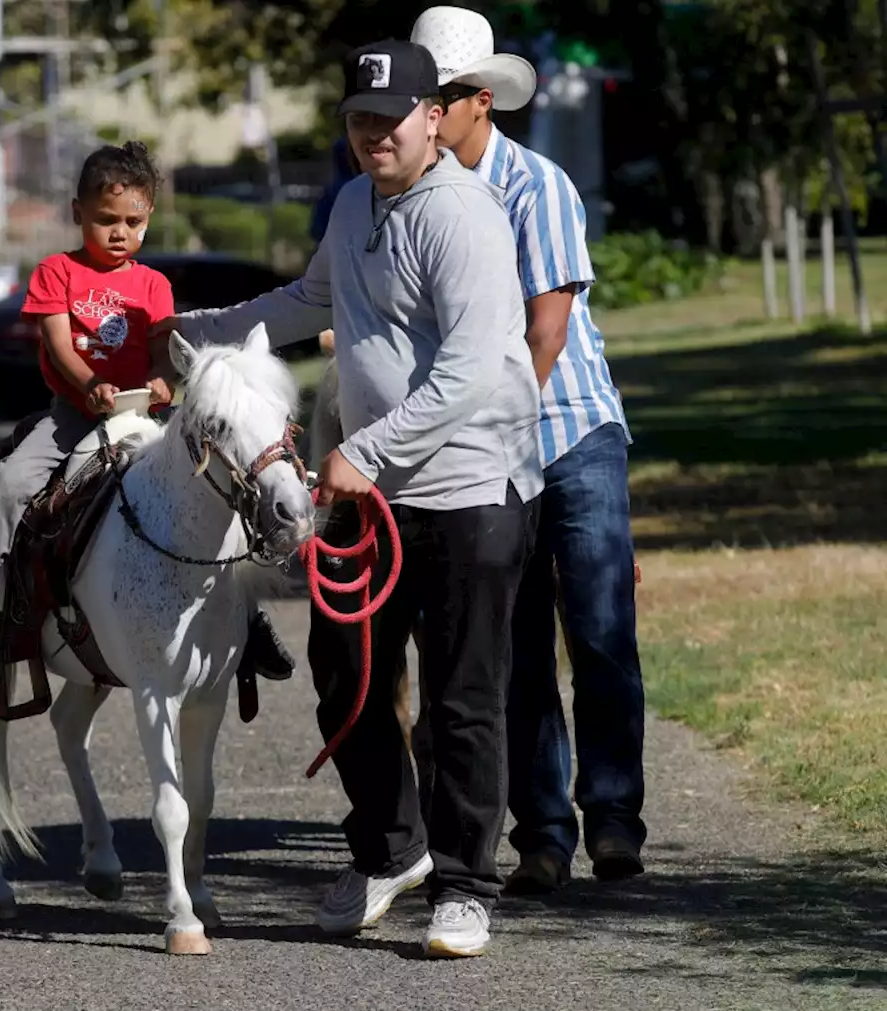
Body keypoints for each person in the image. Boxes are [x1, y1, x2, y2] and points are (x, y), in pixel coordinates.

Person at [154, 39, 542, 957]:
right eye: (360, 118)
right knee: (347, 677)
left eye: (392, 116)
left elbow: (473, 368)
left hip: (469, 488)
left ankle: (465, 885)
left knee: (462, 693)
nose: (374, 132)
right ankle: (390, 848)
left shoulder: (465, 216)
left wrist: (364, 449)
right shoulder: (354, 202)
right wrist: (188, 333)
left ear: (435, 117)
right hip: (369, 490)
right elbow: (305, 301)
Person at [410, 5, 647, 893]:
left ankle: (615, 816)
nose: (423, 117)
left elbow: (545, 331)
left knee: (597, 630)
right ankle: (542, 832)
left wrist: (487, 433)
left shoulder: (533, 186)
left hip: (570, 430)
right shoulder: (423, 198)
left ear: (477, 101)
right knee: (508, 647)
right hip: (484, 447)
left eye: (437, 100)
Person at [0, 141, 296, 686]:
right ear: (77, 214)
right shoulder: (55, 273)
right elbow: (57, 346)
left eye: (133, 221)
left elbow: (163, 348)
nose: (120, 232)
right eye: (105, 220)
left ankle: (246, 615)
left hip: (142, 419)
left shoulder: (153, 284)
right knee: (13, 480)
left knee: (216, 488)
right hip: (72, 416)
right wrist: (91, 384)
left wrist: (165, 384)